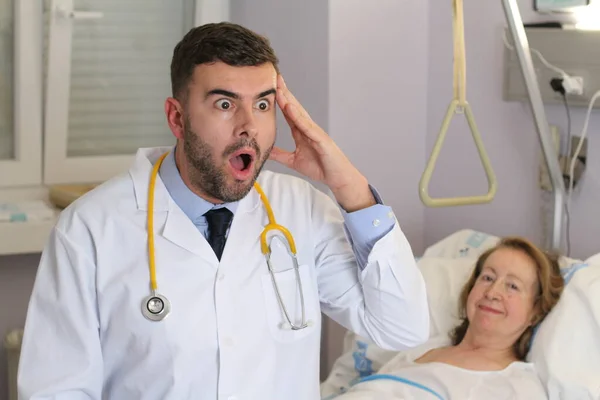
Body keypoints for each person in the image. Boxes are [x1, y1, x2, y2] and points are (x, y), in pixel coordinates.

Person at [17, 22, 430, 400]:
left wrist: (351, 189)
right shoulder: (91, 228)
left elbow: (401, 328)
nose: (249, 126)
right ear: (177, 118)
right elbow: (56, 389)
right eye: (225, 105)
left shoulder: (300, 211)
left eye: (264, 106)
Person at [333, 237, 565, 399]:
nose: (493, 293)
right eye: (487, 277)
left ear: (535, 312)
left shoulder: (519, 388)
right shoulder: (424, 348)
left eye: (512, 286)